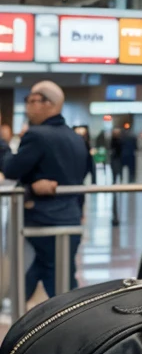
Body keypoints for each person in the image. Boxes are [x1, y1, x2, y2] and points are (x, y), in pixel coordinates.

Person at [3, 81, 88, 298]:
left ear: (49, 104)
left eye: (32, 101)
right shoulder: (75, 138)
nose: (28, 107)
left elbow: (11, 168)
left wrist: (2, 144)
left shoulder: (37, 135)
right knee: (49, 269)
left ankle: (70, 322)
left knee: (58, 279)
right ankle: (15, 306)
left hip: (44, 220)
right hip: (70, 218)